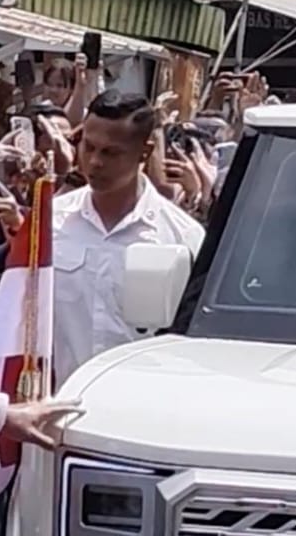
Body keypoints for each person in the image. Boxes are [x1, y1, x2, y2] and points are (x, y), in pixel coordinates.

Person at [53, 91, 205, 386]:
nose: (94, 162)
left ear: (144, 153)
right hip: (55, 412)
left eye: (110, 152)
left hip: (137, 413)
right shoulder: (49, 223)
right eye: (89, 147)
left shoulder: (181, 237)